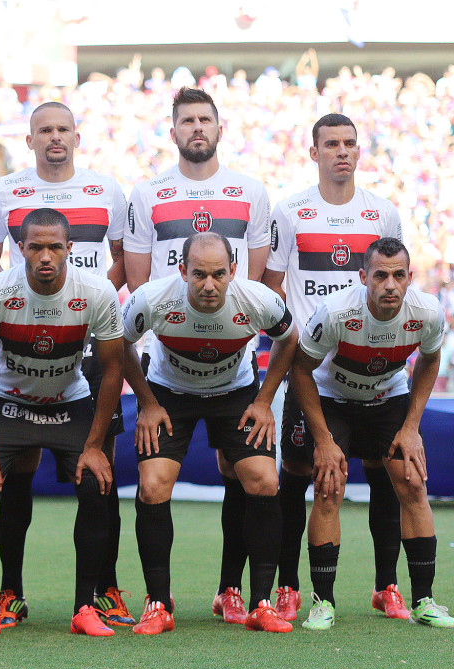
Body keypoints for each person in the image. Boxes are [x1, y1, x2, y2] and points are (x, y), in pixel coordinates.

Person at [0, 102, 133, 628]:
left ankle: (94, 597)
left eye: (63, 129)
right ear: (31, 139)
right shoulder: (5, 191)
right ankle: (2, 597)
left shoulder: (105, 190)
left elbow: (124, 259)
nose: (55, 138)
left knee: (97, 478)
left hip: (77, 362)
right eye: (45, 130)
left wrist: (81, 306)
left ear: (76, 136)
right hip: (14, 378)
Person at [124, 86, 271, 625]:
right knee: (156, 481)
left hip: (233, 366)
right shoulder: (148, 194)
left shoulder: (251, 191)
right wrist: (142, 393)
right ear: (174, 131)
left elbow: (261, 280)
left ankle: (233, 591)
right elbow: (139, 290)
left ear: (219, 127)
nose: (197, 129)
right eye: (187, 121)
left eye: (204, 119)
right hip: (170, 368)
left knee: (246, 473)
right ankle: (157, 601)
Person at [263, 113, 406, 622]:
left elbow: (396, 280)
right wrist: (297, 341)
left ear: (358, 152)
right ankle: (288, 586)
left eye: (349, 144)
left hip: (374, 372)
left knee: (385, 476)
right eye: (331, 144)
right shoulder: (291, 210)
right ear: (314, 152)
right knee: (300, 477)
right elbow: (272, 286)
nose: (341, 152)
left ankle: (386, 585)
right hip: (314, 375)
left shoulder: (382, 212)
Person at [121, 232, 298, 635]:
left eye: (219, 274)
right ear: (182, 270)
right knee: (152, 486)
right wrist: (147, 403)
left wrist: (265, 400)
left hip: (235, 394)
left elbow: (290, 339)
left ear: (233, 271)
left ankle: (260, 604)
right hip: (170, 394)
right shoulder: (153, 298)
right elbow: (118, 343)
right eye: (198, 274)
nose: (208, 284)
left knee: (265, 481)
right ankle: (158, 604)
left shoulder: (257, 299)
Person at [291, 238, 454, 629]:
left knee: (413, 483)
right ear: (363, 276)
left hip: (388, 399)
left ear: (409, 277)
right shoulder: (335, 313)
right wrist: (324, 440)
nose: (390, 285)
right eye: (380, 275)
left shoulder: (428, 311)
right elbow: (300, 370)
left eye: (398, 275)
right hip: (334, 400)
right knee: (329, 486)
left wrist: (412, 426)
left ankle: (424, 601)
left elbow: (430, 361)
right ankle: (323, 603)